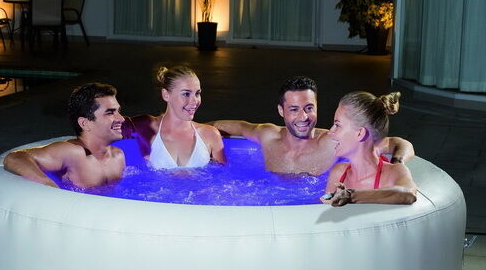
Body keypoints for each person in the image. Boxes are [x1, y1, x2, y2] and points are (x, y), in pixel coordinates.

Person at [211, 76, 413, 175]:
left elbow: (400, 144)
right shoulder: (268, 135)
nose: (303, 117)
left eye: (309, 108)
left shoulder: (332, 141)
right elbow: (237, 126)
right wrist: (196, 128)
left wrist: (397, 163)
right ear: (281, 111)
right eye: (294, 109)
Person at [3, 82, 125, 188]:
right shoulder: (72, 152)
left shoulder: (118, 156)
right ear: (85, 123)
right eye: (110, 113)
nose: (122, 119)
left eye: (118, 111)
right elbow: (15, 157)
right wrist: (48, 185)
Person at [321, 91, 417, 206]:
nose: (330, 132)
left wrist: (351, 196)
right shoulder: (338, 173)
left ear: (360, 133)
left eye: (337, 125)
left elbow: (409, 194)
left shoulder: (393, 172)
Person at [124, 65, 225, 168]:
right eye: (186, 94)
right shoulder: (146, 127)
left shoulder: (210, 135)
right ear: (166, 95)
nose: (195, 101)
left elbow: (223, 175)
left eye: (197, 93)